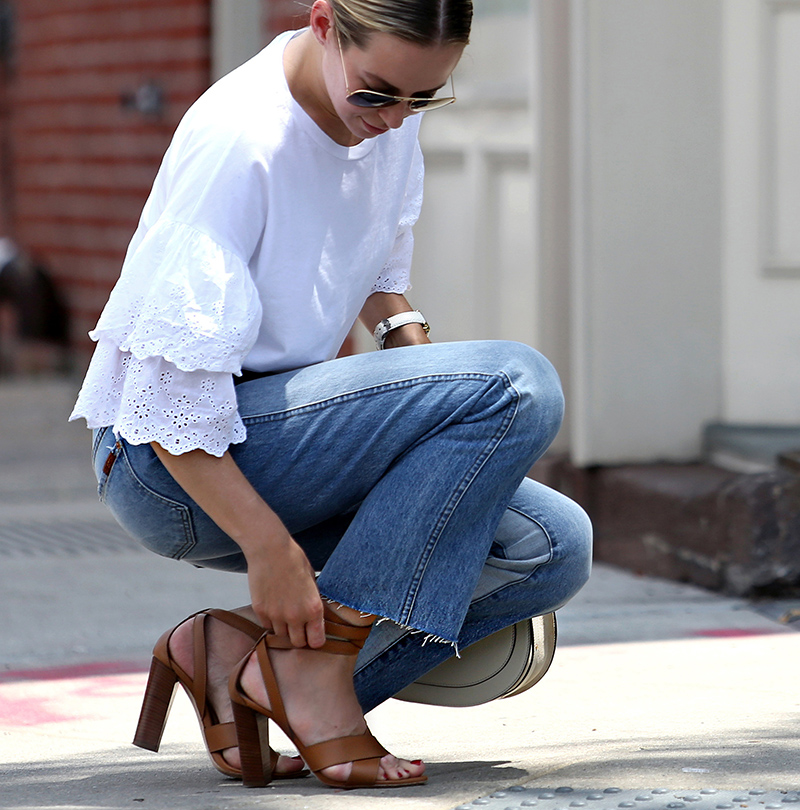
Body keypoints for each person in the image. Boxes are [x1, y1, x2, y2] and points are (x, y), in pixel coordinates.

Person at [70, 0, 592, 792]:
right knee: (518, 383)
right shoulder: (241, 141)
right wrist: (269, 550)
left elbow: (377, 264)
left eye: (424, 98)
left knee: (550, 547)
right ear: (322, 24)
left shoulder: (383, 105)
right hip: (171, 462)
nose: (394, 119)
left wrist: (414, 374)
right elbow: (166, 395)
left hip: (282, 429)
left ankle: (245, 665)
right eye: (379, 94)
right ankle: (313, 681)